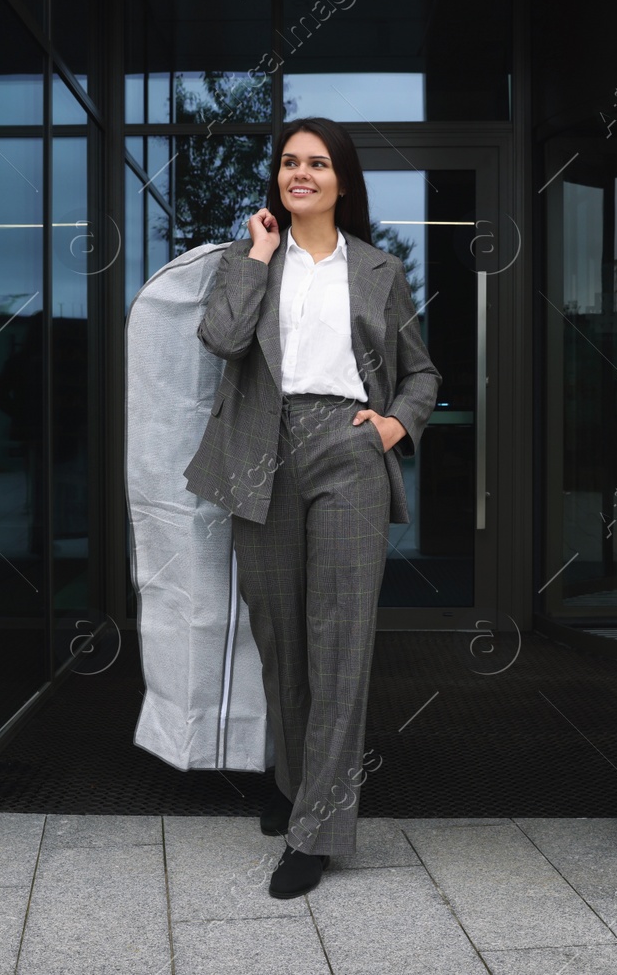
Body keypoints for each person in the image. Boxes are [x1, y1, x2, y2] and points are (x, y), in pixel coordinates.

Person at [182, 116, 441, 899]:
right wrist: (258, 256)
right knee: (280, 637)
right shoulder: (247, 257)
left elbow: (420, 373)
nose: (301, 173)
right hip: (262, 445)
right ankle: (295, 783)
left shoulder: (378, 270)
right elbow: (221, 337)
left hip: (347, 449)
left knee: (338, 645)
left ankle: (316, 830)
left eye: (317, 163)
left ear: (341, 181)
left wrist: (394, 424)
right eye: (290, 163)